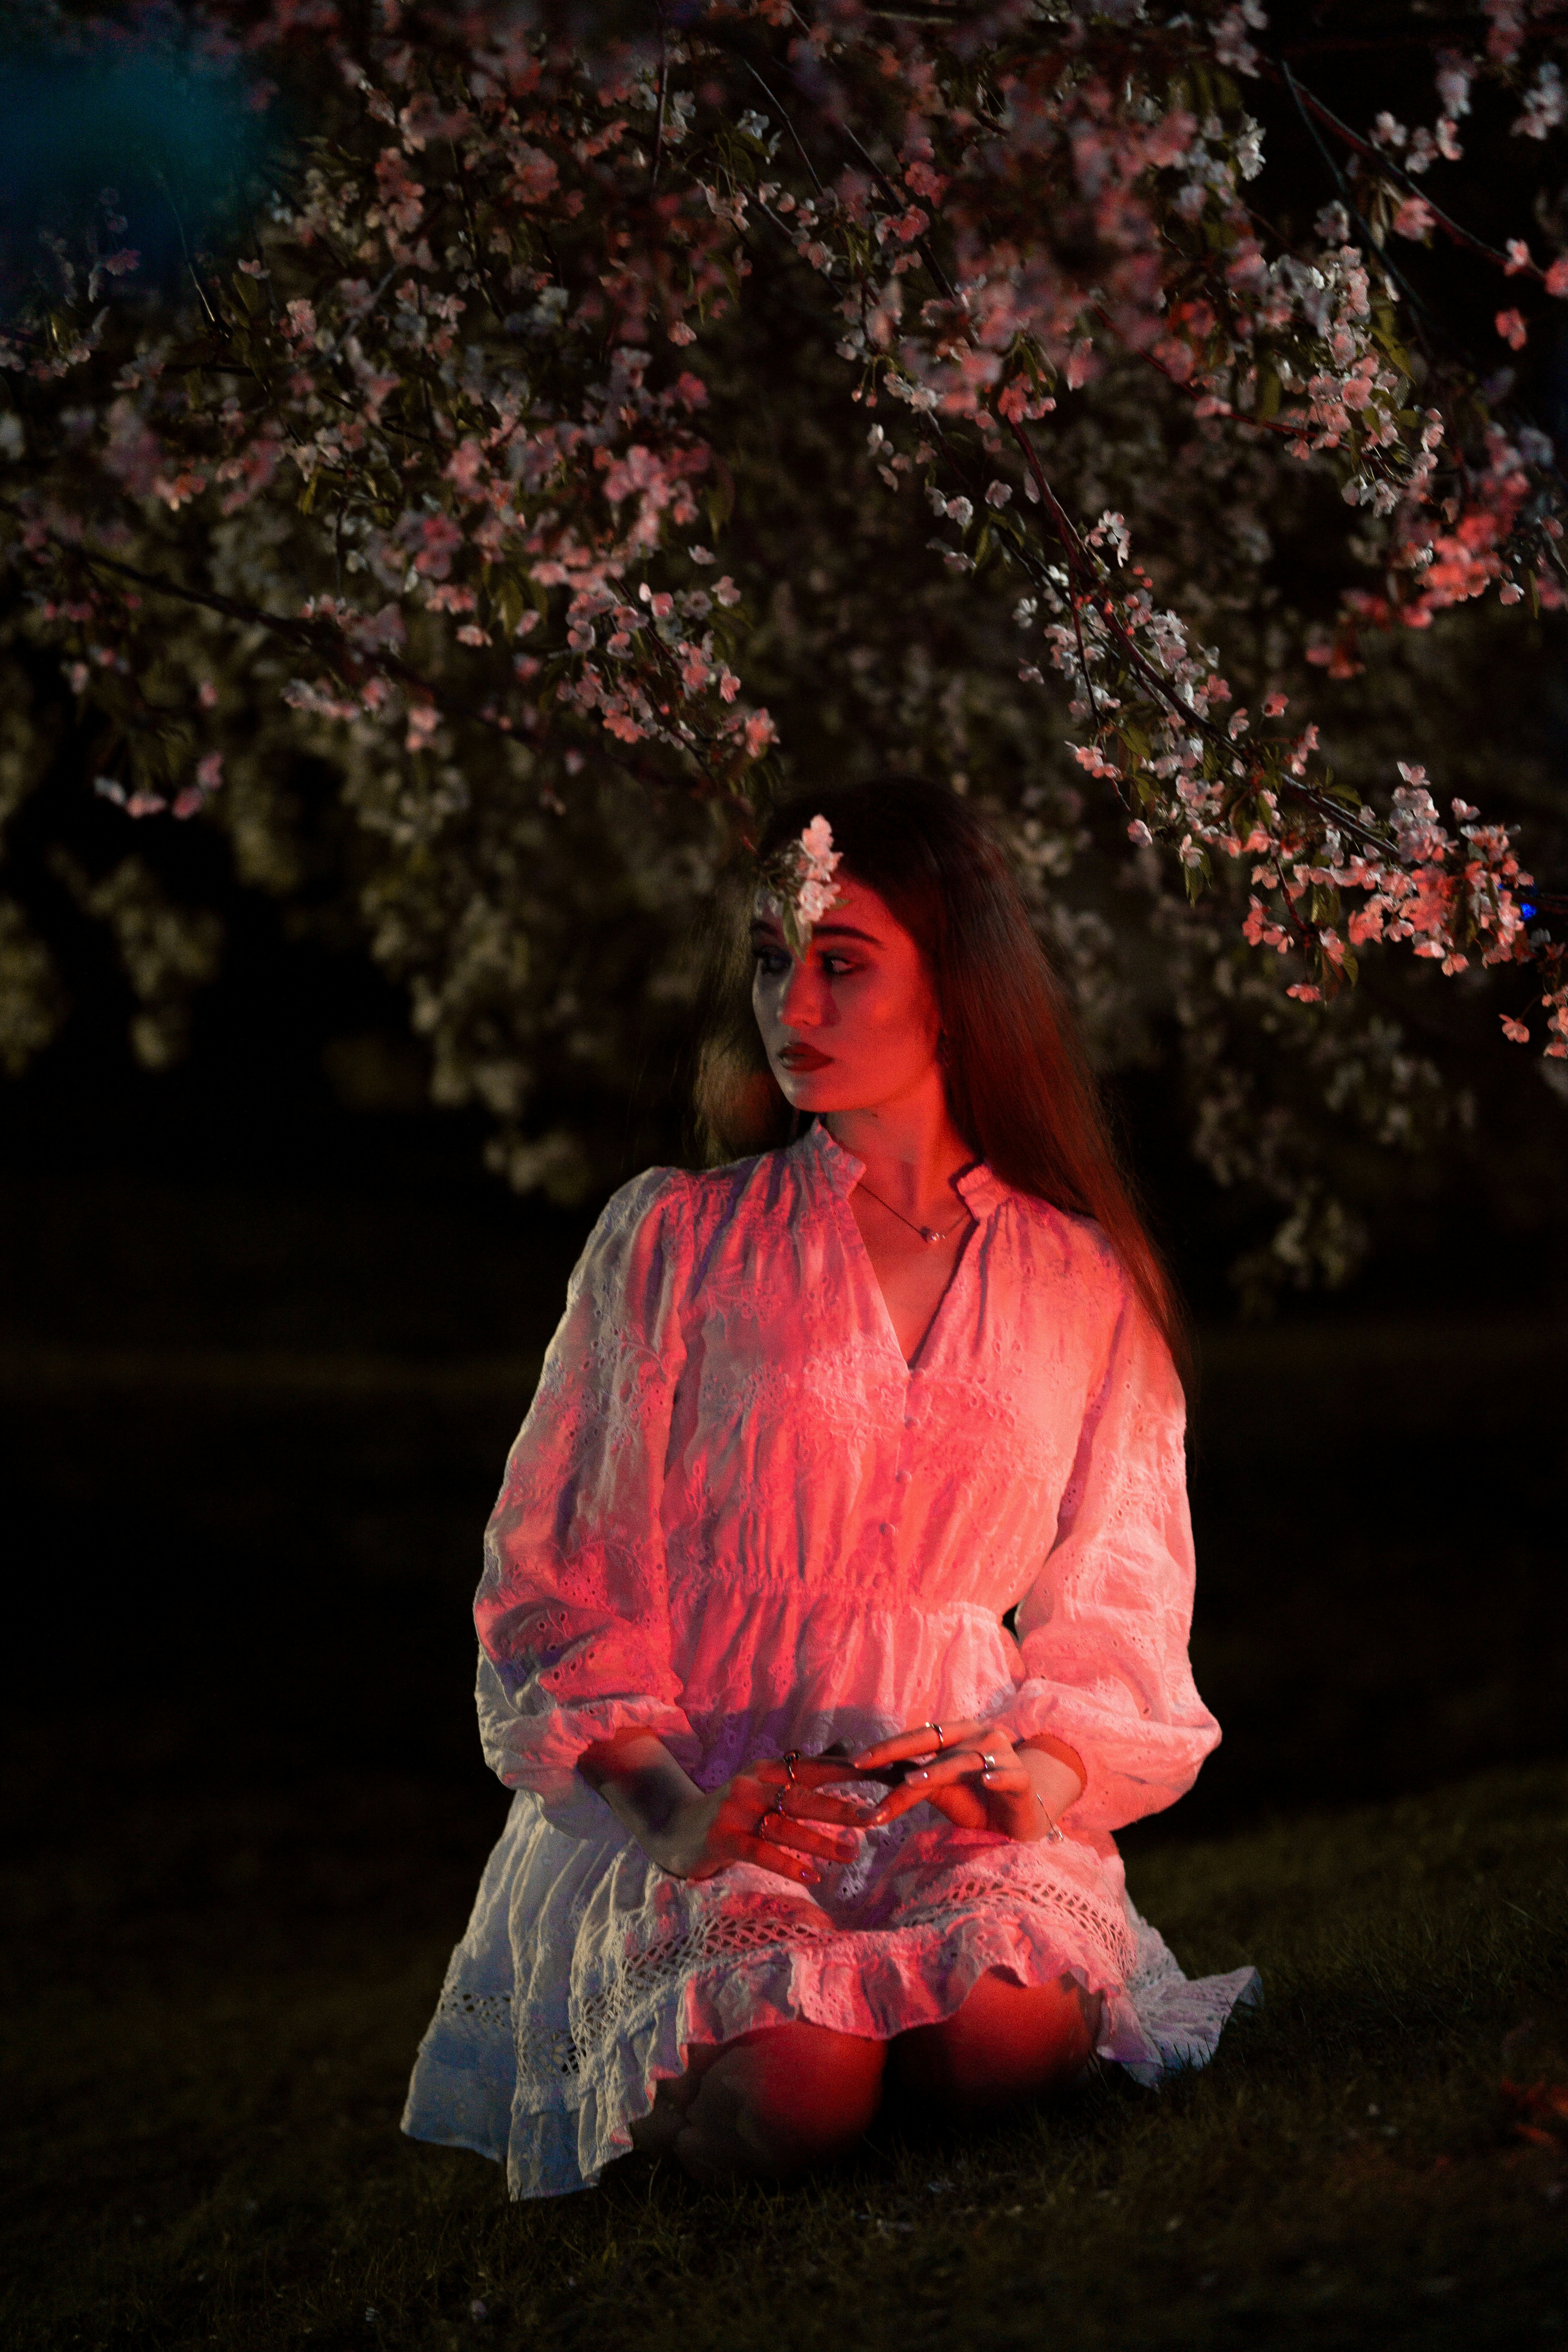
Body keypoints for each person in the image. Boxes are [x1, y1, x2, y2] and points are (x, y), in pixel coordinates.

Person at [402, 776, 1258, 2197]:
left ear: (955, 989)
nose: (789, 999)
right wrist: (674, 1809)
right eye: (767, 958)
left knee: (1000, 2041)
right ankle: (775, 2048)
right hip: (713, 1793)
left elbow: (1122, 1603)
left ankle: (910, 2031)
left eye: (840, 962)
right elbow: (557, 1572)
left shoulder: (1079, 1282)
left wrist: (1034, 1776)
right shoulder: (677, 1238)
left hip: (943, 1813)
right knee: (799, 2086)